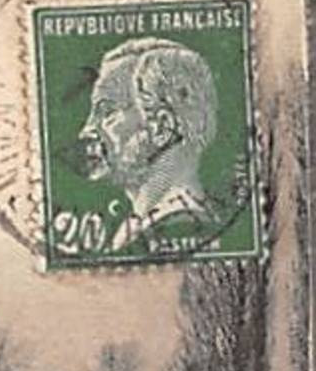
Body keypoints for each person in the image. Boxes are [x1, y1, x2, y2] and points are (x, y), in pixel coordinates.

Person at [76, 37, 221, 253]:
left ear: (162, 127)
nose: (86, 131)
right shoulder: (141, 229)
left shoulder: (180, 227)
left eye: (107, 111)